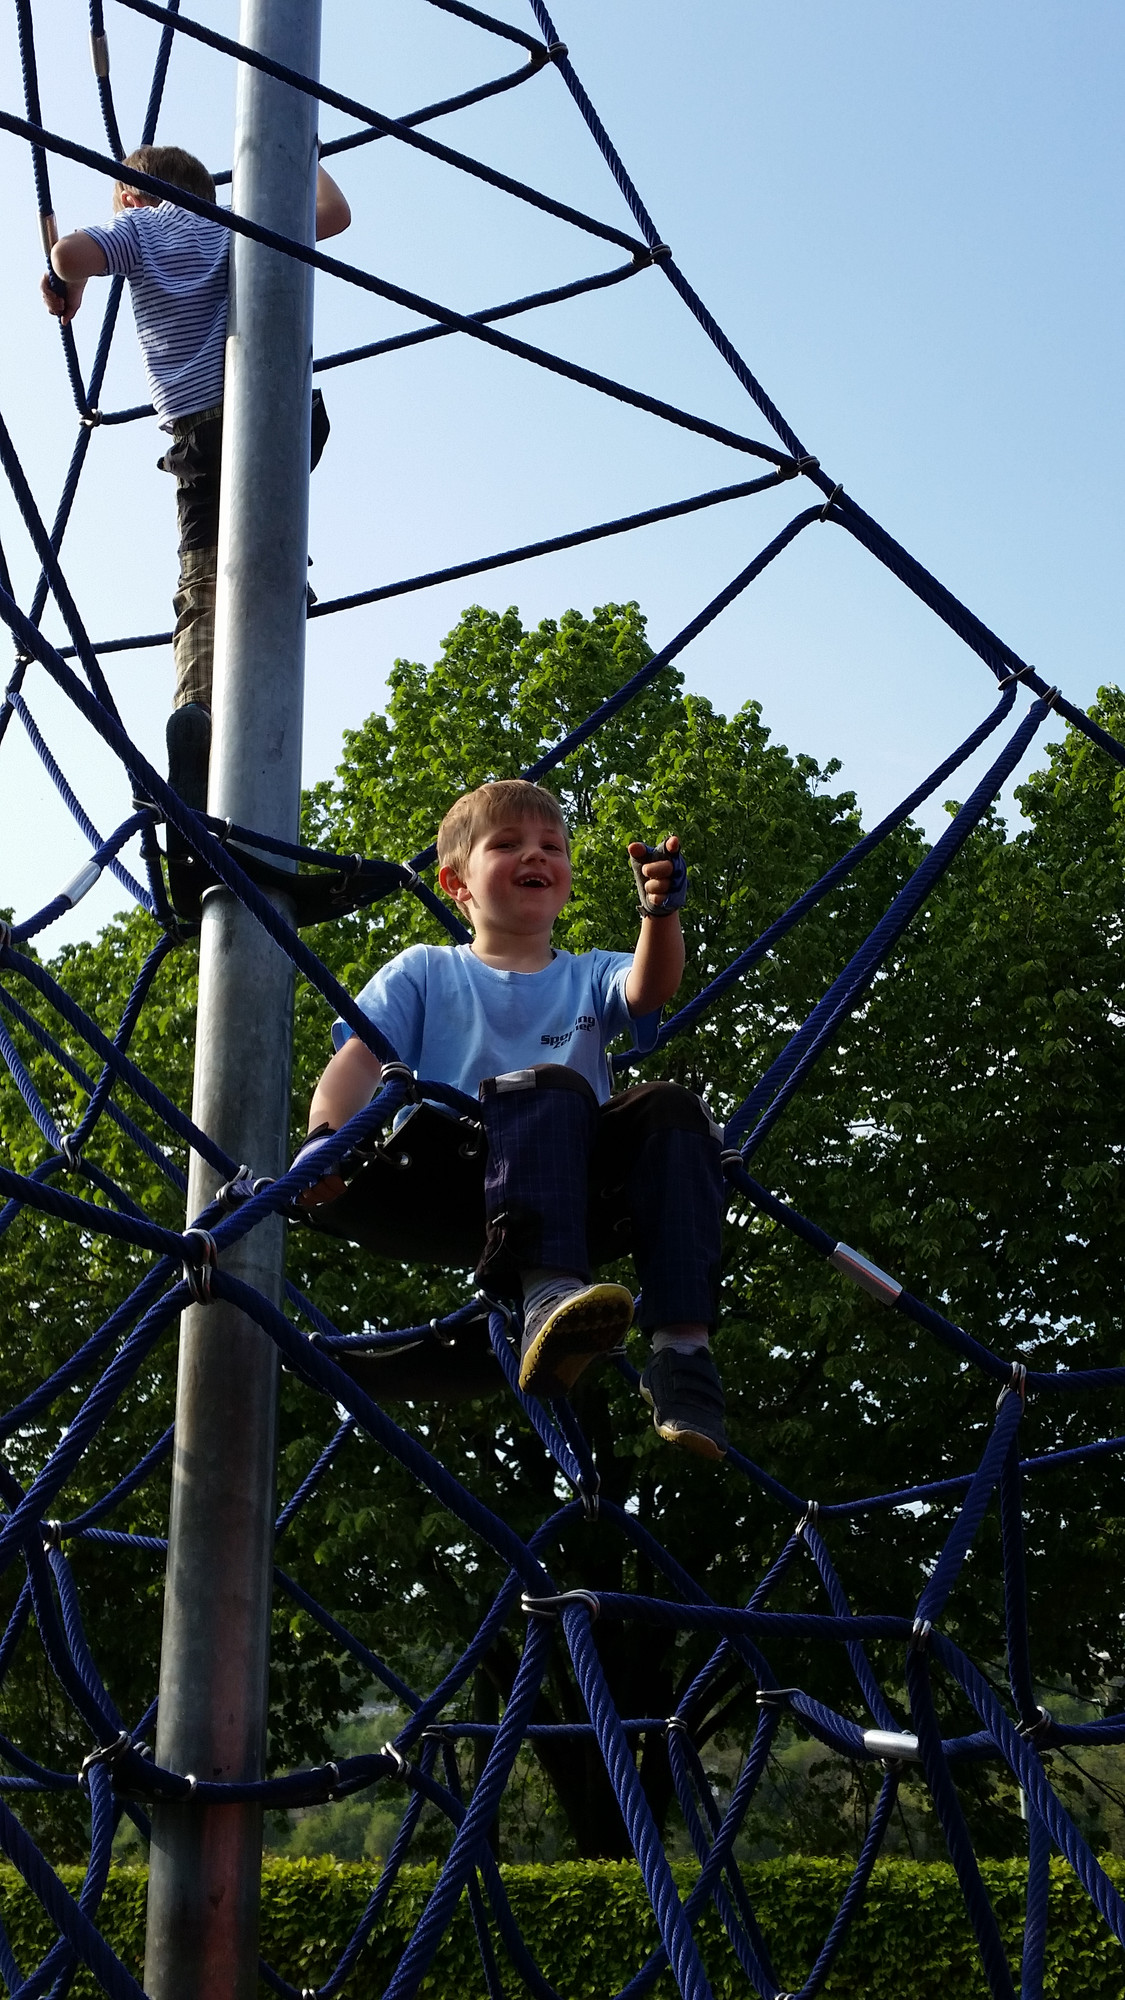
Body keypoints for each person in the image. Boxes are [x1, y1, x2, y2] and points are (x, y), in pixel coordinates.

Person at [294, 778, 730, 1459]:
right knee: (547, 1083)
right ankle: (546, 1295)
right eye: (507, 844)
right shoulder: (425, 971)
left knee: (673, 1107)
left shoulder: (589, 973)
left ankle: (682, 1351)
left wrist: (658, 915)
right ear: (456, 883)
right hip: (452, 1176)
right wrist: (325, 1139)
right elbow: (357, 1062)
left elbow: (651, 986)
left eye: (552, 846)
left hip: (579, 1193)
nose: (535, 855)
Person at [40, 143, 351, 810]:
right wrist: (305, 152)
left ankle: (197, 710)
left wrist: (76, 282)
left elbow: (67, 254)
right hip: (280, 414)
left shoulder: (139, 227)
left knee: (202, 581)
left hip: (199, 431)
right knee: (266, 524)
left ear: (130, 195)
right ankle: (279, 569)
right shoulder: (236, 223)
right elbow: (334, 214)